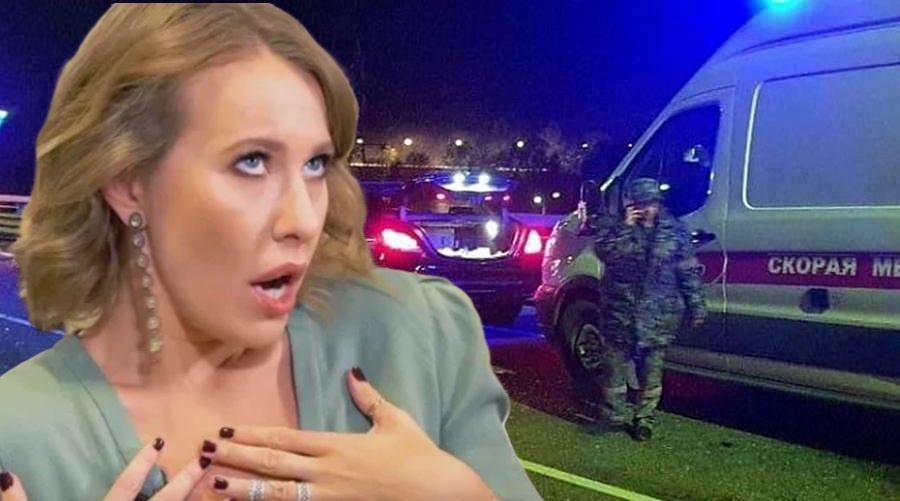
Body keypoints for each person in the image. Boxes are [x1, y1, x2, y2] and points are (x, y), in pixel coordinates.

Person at [0, 4, 542, 501]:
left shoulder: (416, 335)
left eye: (315, 165)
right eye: (253, 161)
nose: (304, 220)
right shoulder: (19, 436)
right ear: (127, 181)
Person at [591, 178, 706, 441]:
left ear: (658, 203)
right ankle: (614, 415)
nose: (646, 209)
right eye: (640, 204)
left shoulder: (674, 232)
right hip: (619, 314)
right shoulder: (615, 228)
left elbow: (688, 271)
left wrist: (697, 306)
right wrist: (626, 227)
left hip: (658, 316)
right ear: (630, 205)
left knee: (651, 375)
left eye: (650, 203)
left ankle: (644, 418)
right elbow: (605, 253)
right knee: (614, 372)